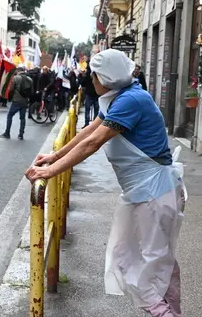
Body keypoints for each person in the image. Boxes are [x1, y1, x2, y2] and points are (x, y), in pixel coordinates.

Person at [26, 49, 184, 317]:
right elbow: (89, 131)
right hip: (149, 192)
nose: (90, 80)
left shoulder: (131, 100)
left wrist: (50, 171)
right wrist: (54, 156)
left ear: (106, 77)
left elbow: (93, 142)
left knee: (146, 266)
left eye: (93, 75)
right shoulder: (122, 96)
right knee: (153, 263)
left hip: (153, 194)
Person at [0, 67, 31, 140]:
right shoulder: (29, 79)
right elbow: (31, 91)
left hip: (16, 100)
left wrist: (9, 98)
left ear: (18, 71)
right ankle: (21, 134)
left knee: (10, 116)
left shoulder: (16, 78)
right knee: (22, 118)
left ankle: (7, 132)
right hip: (25, 101)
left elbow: (11, 89)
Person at [80, 59, 100, 128]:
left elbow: (83, 83)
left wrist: (82, 76)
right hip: (96, 93)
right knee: (96, 110)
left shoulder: (88, 73)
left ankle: (87, 123)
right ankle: (95, 125)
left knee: (88, 109)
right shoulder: (97, 72)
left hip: (90, 94)